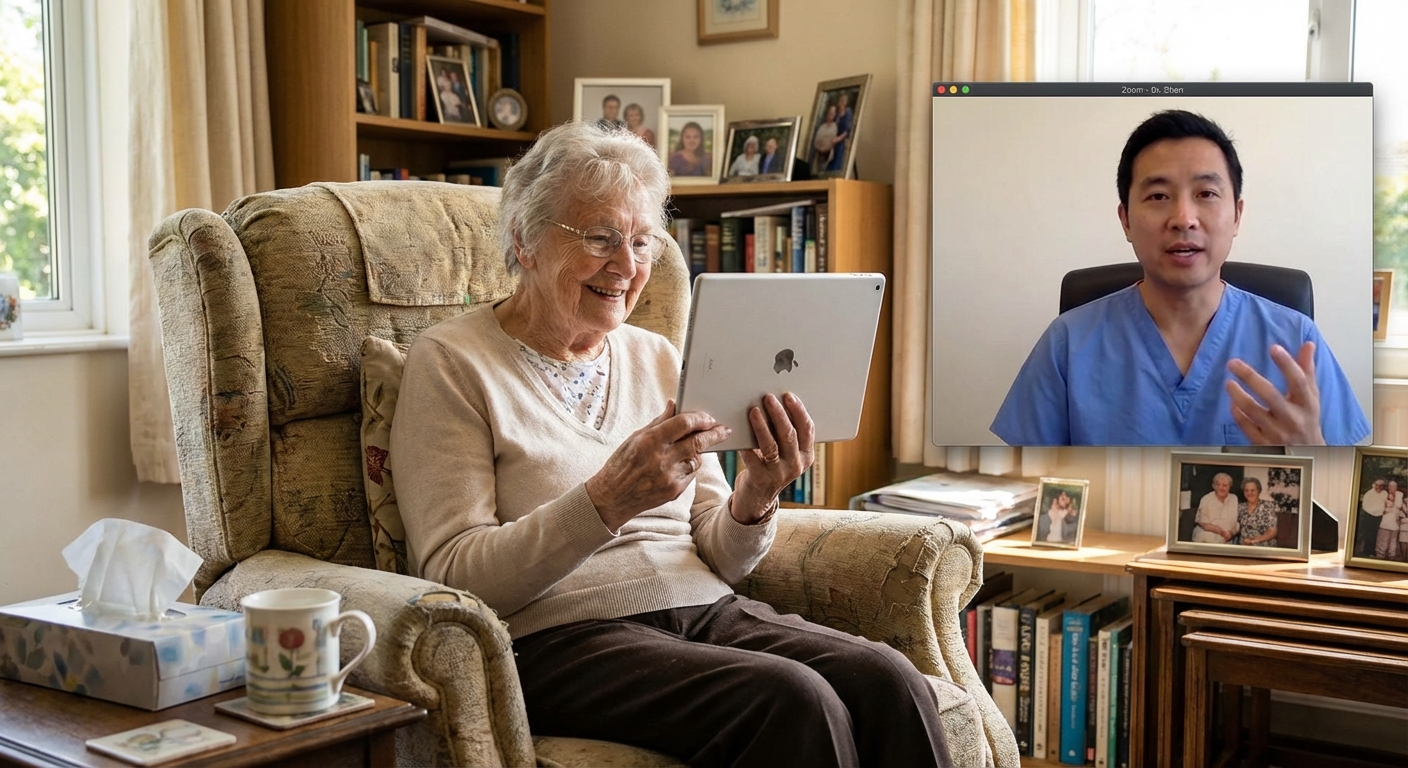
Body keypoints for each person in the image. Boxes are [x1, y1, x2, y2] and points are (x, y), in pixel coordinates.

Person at [391, 121, 954, 768]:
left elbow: (720, 554)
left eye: (641, 242)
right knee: (793, 699)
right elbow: (454, 576)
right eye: (600, 238)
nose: (627, 266)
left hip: (703, 607)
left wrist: (755, 497)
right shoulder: (452, 363)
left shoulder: (657, 356)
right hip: (557, 640)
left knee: (888, 679)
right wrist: (605, 501)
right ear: (524, 240)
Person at [990, 110, 1369, 446]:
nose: (1184, 218)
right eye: (1158, 196)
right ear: (1125, 220)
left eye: (1206, 193)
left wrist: (1312, 447)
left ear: (1237, 216)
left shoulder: (1296, 341)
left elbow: (1342, 480)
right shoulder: (1068, 343)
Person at [1192, 472, 1238, 544]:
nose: (1221, 488)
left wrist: (1231, 533)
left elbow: (1235, 522)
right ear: (1214, 486)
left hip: (1227, 537)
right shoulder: (1206, 499)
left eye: (1224, 485)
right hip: (1207, 536)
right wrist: (1222, 532)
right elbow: (1204, 524)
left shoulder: (1234, 498)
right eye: (1218, 485)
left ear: (1230, 486)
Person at [1235, 477, 1279, 547]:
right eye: (1246, 490)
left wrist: (1254, 541)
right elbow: (1235, 526)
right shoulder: (1240, 507)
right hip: (1244, 546)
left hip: (1263, 546)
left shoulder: (1267, 506)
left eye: (1252, 490)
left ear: (1259, 491)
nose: (1249, 493)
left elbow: (1272, 531)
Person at [1358, 478, 1389, 558]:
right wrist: (1373, 512)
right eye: (1378, 485)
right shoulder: (1369, 494)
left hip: (1379, 517)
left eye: (1381, 486)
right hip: (1369, 516)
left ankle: (1372, 552)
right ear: (1374, 485)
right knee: (1368, 534)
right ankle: (1367, 552)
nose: (1379, 487)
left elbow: (1385, 503)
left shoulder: (1384, 493)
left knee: (1375, 534)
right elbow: (1365, 506)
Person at [1378, 480, 1405, 560]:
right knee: (1383, 542)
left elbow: (1399, 506)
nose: (1390, 488)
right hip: (1385, 525)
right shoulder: (1384, 495)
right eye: (1389, 486)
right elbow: (1381, 509)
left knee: (1393, 543)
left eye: (1392, 486)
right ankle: (1380, 556)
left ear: (1396, 487)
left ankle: (1392, 557)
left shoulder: (1399, 495)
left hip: (1394, 526)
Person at [827, 93, 853, 172]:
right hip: (833, 140)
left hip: (841, 141)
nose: (841, 103)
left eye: (843, 101)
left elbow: (847, 130)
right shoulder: (837, 114)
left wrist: (838, 138)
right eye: (840, 101)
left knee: (837, 162)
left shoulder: (848, 112)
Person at [812, 105, 839, 169]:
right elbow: (816, 142)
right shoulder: (822, 127)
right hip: (818, 157)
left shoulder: (835, 127)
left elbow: (832, 142)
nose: (831, 114)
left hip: (827, 158)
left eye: (833, 113)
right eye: (830, 112)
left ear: (835, 114)